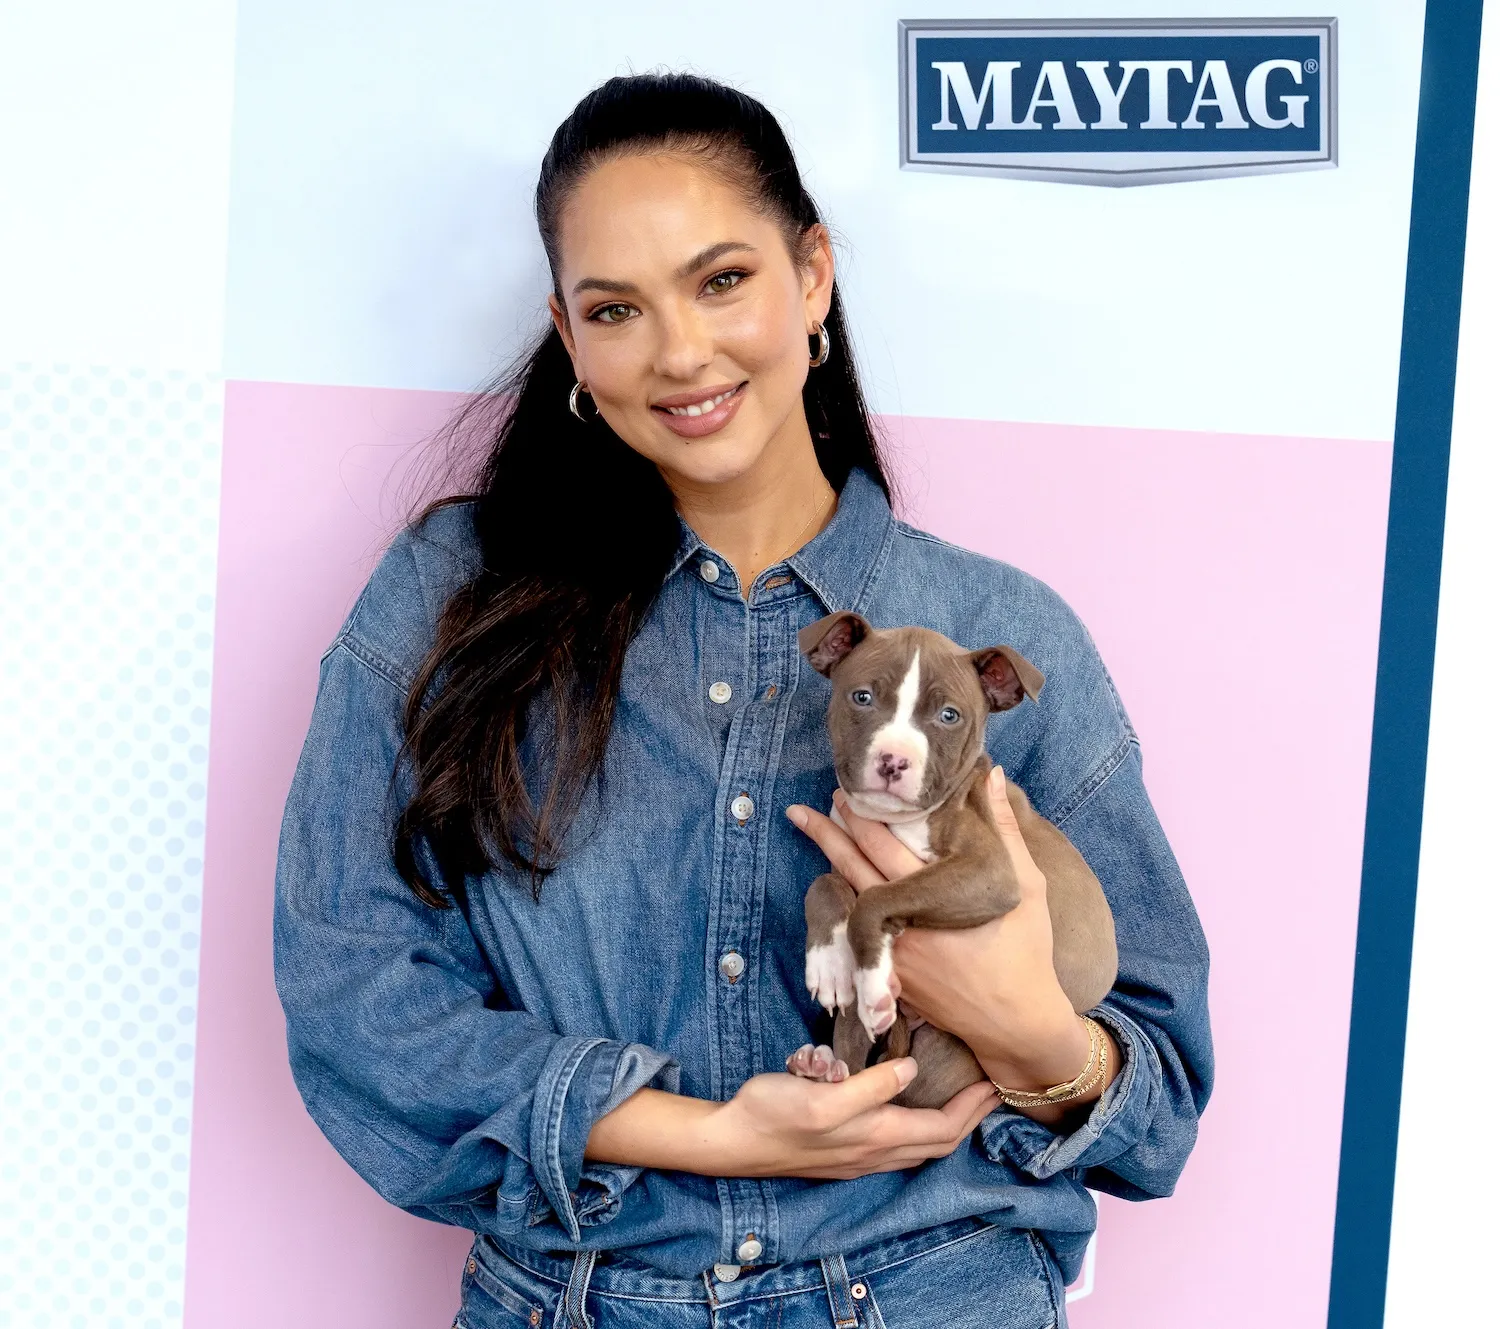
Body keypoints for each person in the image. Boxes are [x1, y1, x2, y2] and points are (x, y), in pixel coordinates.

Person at [274, 72, 1212, 1329]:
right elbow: (352, 982)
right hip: (576, 1293)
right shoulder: (455, 600)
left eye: (723, 281)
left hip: (937, 1289)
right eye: (617, 308)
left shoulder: (1006, 642)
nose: (679, 352)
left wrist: (1032, 1032)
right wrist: (712, 1134)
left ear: (812, 274)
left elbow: (1158, 1105)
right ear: (568, 333)